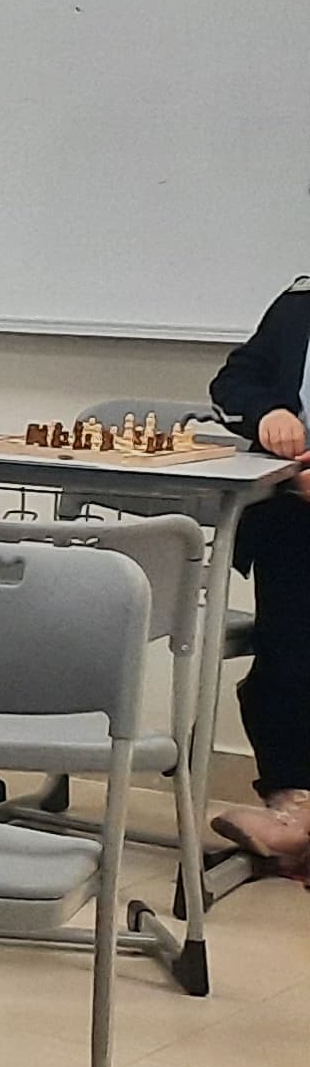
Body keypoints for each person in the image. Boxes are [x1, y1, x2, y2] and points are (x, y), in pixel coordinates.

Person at [207, 277, 310, 877]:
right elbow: (234, 383)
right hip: (296, 516)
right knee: (287, 659)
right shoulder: (298, 306)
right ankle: (293, 807)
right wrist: (269, 413)